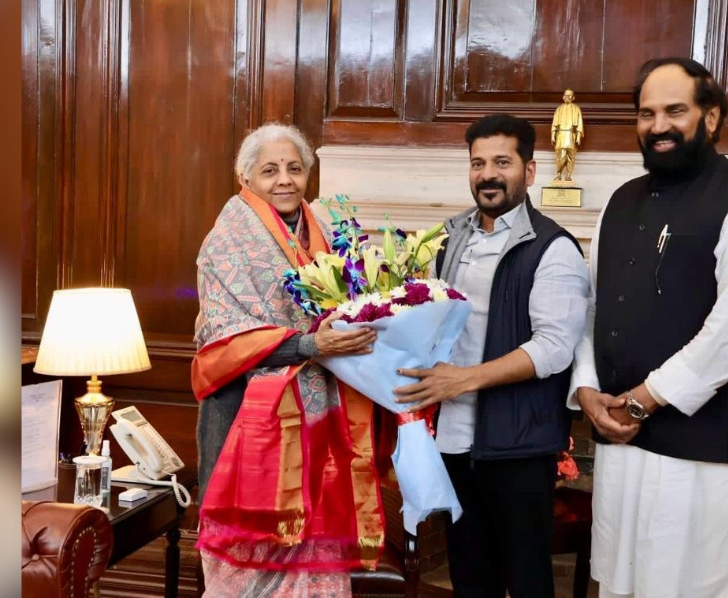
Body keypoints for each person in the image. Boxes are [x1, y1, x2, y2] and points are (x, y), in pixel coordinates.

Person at [569, 57, 728, 598]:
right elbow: (593, 308)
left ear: (710, 117)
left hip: (701, 460)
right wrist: (587, 390)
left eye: (675, 110)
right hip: (623, 452)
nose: (658, 126)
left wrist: (646, 399)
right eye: (646, 113)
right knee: (621, 585)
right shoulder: (619, 202)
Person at [395, 113, 591, 598]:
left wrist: (461, 380)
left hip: (520, 445)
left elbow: (553, 349)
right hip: (456, 442)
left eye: (502, 162)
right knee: (470, 577)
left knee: (526, 581)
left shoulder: (554, 248)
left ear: (529, 170)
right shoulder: (448, 237)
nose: (488, 174)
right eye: (478, 162)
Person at [192, 123, 381, 597]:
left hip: (318, 420)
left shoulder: (328, 234)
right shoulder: (225, 242)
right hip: (241, 418)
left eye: (294, 169)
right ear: (246, 177)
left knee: (312, 547)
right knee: (244, 558)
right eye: (270, 169)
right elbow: (225, 340)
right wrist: (312, 346)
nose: (284, 180)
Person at [551, 89, 584, 182]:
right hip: (561, 135)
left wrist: (578, 136)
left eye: (569, 95)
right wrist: (553, 134)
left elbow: (579, 124)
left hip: (570, 135)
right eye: (566, 95)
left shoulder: (576, 109)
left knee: (571, 156)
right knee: (560, 156)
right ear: (563, 97)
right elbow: (554, 123)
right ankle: (559, 173)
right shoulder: (559, 109)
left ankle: (569, 174)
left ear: (573, 97)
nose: (567, 97)